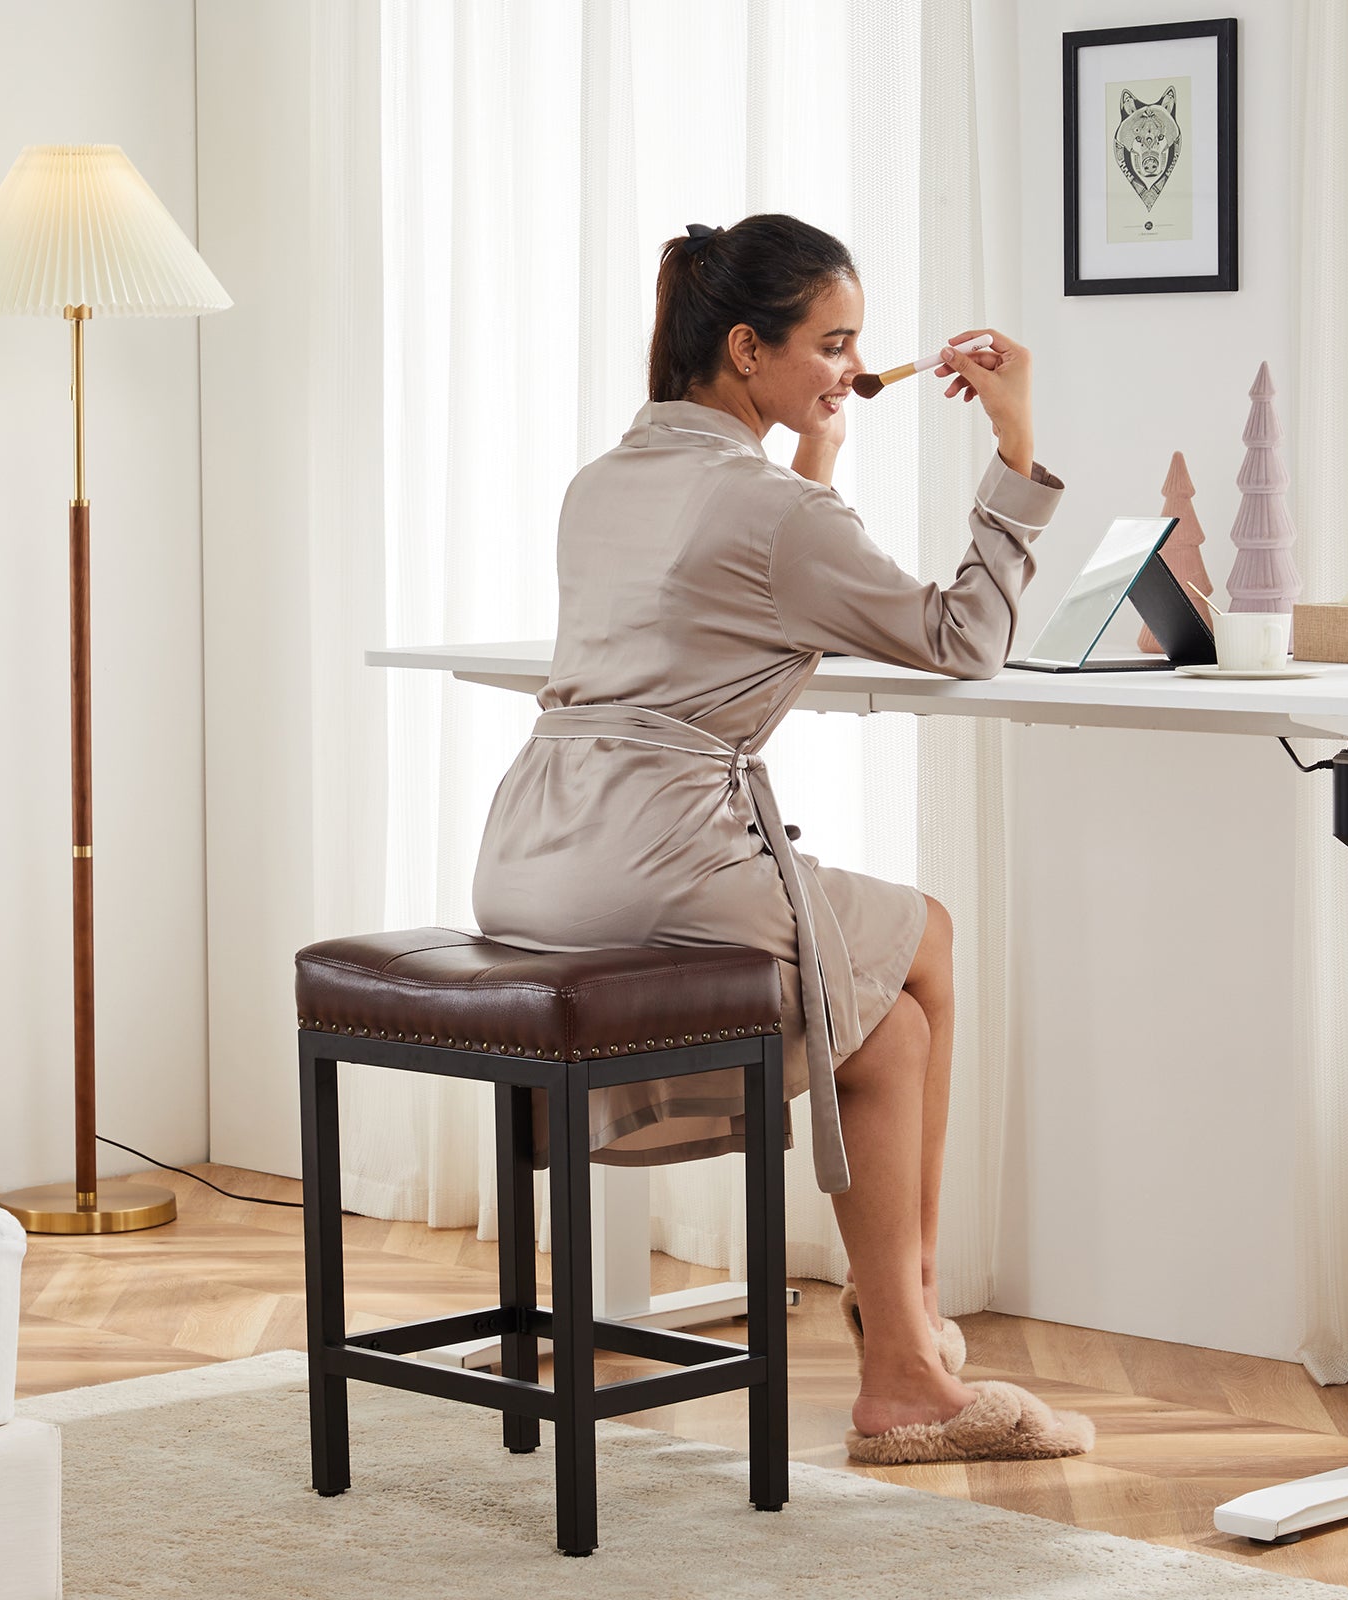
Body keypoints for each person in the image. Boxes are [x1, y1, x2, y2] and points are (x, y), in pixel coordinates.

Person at [473, 214, 1092, 1464]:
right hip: (655, 867)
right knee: (931, 933)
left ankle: (905, 1341)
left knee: (891, 1022)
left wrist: (813, 454)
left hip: (527, 853)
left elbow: (735, 583)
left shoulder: (602, 481)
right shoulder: (768, 508)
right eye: (831, 345)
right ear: (747, 350)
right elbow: (960, 637)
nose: (848, 370)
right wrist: (1016, 444)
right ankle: (907, 1336)